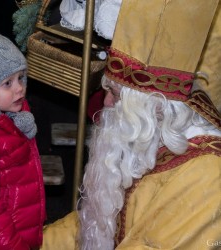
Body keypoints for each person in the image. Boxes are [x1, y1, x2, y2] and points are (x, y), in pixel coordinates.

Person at [40, 0, 221, 249]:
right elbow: (93, 222)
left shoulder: (207, 178)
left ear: (153, 106)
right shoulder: (147, 142)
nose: (105, 102)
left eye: (115, 93)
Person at [0, 16, 46, 249]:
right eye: (7, 83)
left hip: (20, 230)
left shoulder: (10, 118)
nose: (19, 88)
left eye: (20, 78)